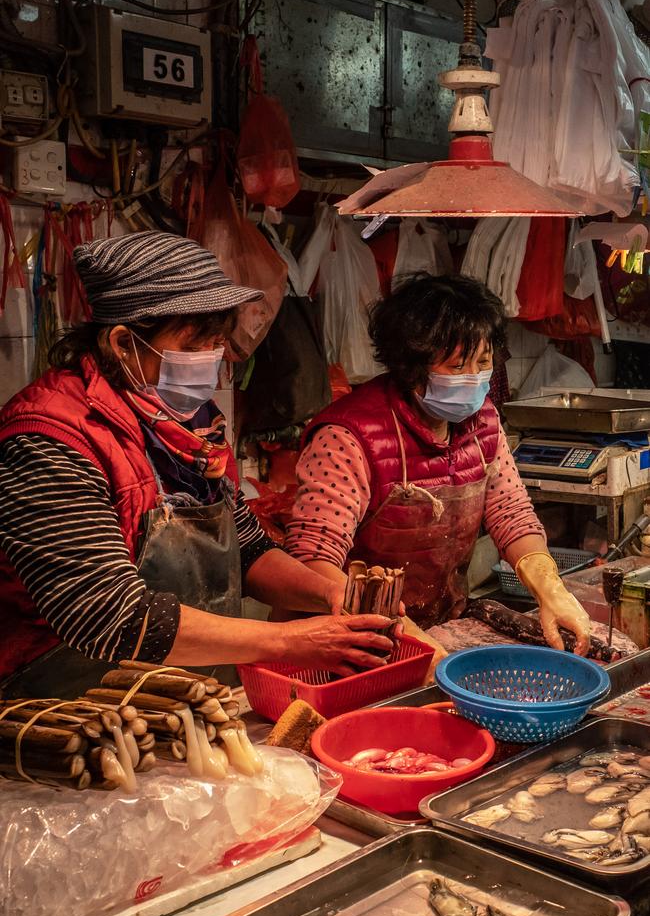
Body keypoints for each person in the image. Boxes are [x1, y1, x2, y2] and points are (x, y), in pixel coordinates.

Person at [0, 231, 394, 698]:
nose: (214, 359)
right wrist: (290, 640)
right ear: (124, 343)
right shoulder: (48, 440)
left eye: (217, 342)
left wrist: (328, 593)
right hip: (61, 712)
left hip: (180, 696)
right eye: (195, 345)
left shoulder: (193, 427)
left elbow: (246, 551)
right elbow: (107, 616)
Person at [285, 273, 591, 657]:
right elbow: (312, 559)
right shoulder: (346, 435)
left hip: (442, 624)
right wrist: (406, 636)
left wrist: (552, 591)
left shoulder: (483, 422)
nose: (474, 378)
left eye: (483, 363)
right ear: (413, 366)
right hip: (342, 640)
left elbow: (511, 514)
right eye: (457, 365)